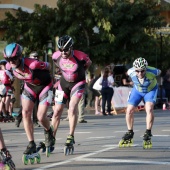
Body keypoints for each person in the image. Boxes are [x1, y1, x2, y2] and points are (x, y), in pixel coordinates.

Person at [3, 43, 55, 157]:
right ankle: (31, 143)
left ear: (20, 56)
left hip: (44, 86)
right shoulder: (8, 66)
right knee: (25, 113)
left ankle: (49, 131)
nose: (11, 62)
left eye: (14, 58)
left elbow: (48, 66)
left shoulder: (33, 64)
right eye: (8, 59)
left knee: (41, 117)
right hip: (30, 86)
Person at [51, 35, 92, 149]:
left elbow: (88, 63)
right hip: (63, 83)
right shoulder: (56, 56)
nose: (63, 52)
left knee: (72, 107)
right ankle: (51, 137)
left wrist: (81, 71)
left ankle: (71, 136)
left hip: (77, 83)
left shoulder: (81, 56)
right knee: (57, 111)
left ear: (71, 47)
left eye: (65, 50)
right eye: (61, 50)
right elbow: (56, 62)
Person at [119, 57, 161, 148]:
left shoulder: (153, 71)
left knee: (149, 108)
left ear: (146, 69)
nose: (140, 73)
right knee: (129, 110)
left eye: (142, 71)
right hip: (137, 90)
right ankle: (130, 132)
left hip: (150, 90)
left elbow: (159, 72)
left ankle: (148, 132)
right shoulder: (130, 72)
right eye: (137, 71)